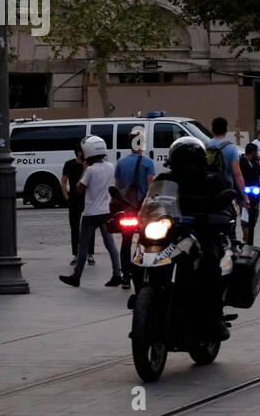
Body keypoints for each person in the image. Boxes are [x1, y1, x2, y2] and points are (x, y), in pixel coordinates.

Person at [152, 136, 233, 342]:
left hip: (202, 233)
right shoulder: (164, 179)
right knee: (143, 251)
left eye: (191, 163)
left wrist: (215, 217)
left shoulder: (212, 180)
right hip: (169, 234)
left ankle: (214, 316)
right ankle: (147, 297)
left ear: (200, 163)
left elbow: (226, 207)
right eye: (182, 163)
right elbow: (151, 201)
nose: (187, 167)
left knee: (211, 260)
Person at [59, 136, 122, 288]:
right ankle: (117, 274)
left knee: (83, 245)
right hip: (106, 211)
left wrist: (84, 170)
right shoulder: (110, 166)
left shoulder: (91, 170)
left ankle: (76, 276)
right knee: (110, 244)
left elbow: (79, 189)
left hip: (91, 213)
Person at [114, 132, 155, 288]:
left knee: (126, 242)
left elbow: (117, 187)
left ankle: (125, 276)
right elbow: (151, 187)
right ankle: (141, 273)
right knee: (144, 241)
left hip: (126, 209)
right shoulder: (148, 163)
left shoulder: (121, 163)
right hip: (142, 209)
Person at [205, 117, 248, 207]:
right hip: (225, 190)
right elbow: (237, 174)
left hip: (208, 190)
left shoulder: (205, 146)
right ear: (226, 130)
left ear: (212, 130)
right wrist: (245, 196)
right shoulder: (231, 148)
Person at [61, 145, 92, 266]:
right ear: (79, 152)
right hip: (74, 199)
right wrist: (67, 198)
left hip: (87, 198)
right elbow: (63, 182)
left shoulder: (89, 165)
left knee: (90, 227)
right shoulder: (69, 164)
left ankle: (90, 254)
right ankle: (75, 254)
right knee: (74, 227)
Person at [239, 141, 260, 245]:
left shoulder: (255, 163)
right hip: (246, 194)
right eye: (256, 152)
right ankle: (247, 240)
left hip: (255, 195)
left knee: (254, 217)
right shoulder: (241, 163)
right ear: (253, 152)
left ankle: (249, 237)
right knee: (245, 219)